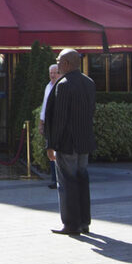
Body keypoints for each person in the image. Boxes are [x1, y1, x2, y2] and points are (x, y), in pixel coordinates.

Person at [44, 48, 96, 235]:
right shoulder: (89, 83)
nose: (57, 63)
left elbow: (59, 119)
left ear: (66, 63)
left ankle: (71, 224)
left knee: (67, 183)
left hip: (67, 144)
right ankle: (84, 222)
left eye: (59, 60)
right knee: (82, 179)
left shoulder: (64, 85)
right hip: (84, 142)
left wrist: (51, 145)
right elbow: (91, 112)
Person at [38, 62, 62, 189]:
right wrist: (41, 123)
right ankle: (54, 179)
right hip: (49, 124)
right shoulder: (48, 86)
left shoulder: (62, 86)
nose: (52, 75)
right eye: (51, 73)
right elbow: (45, 106)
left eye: (55, 73)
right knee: (51, 151)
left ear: (59, 73)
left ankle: (60, 179)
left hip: (59, 124)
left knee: (59, 152)